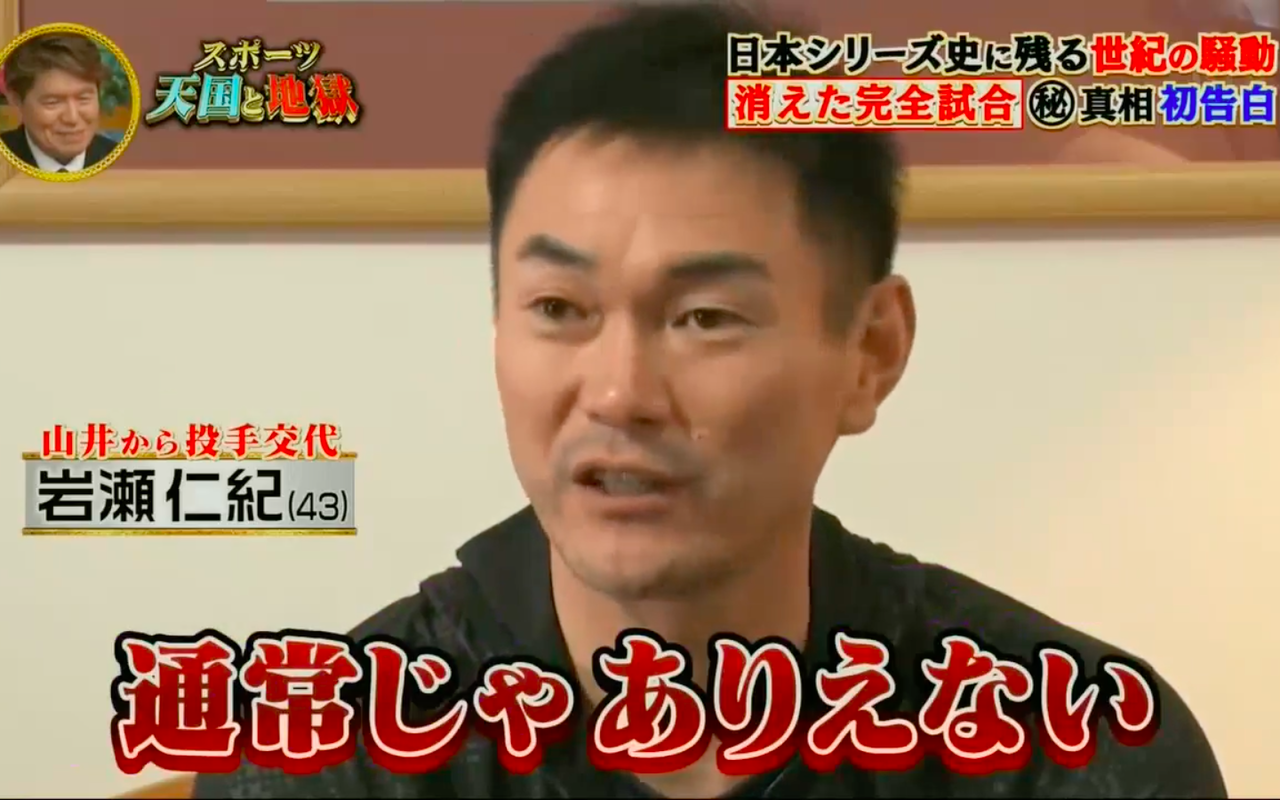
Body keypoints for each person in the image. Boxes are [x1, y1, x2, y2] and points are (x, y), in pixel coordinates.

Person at [194, 3, 1226, 797]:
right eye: (559, 308)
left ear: (870, 352)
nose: (619, 393)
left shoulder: (1072, 749)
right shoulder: (324, 754)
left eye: (703, 316)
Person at [0, 32, 119, 174]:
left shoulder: (121, 162)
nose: (72, 118)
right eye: (53, 102)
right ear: (16, 100)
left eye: (84, 99)